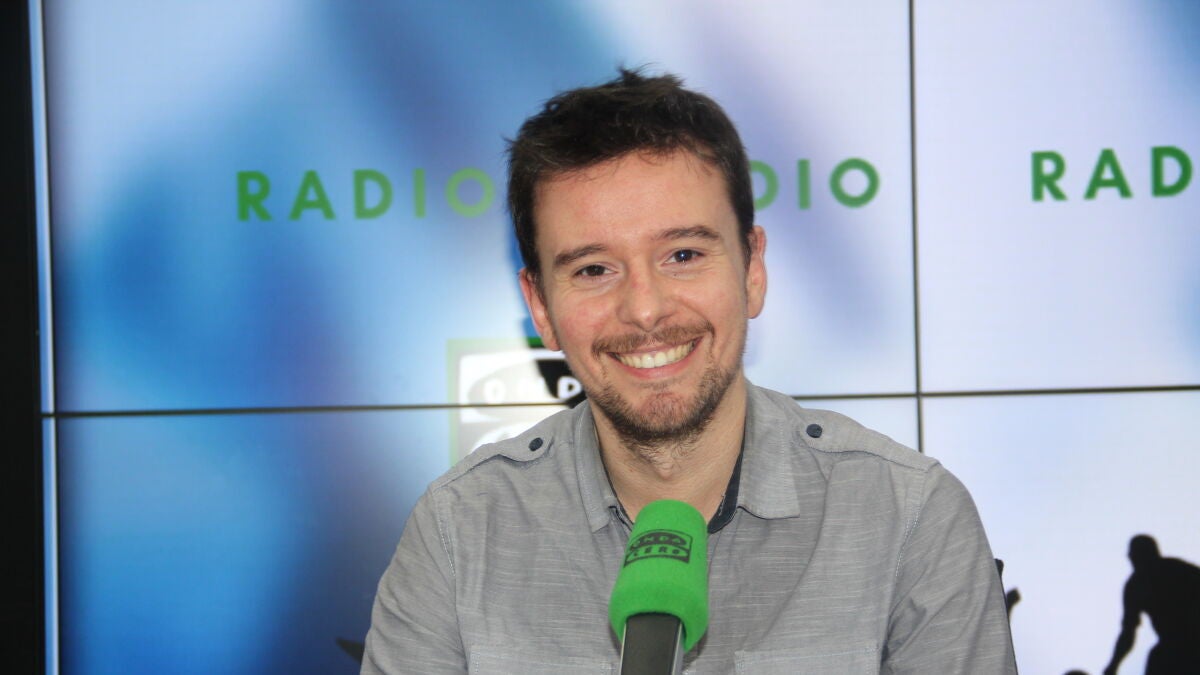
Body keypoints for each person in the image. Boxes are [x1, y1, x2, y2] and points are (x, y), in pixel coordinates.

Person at [362, 69, 1016, 673]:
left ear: (752, 269)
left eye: (682, 254)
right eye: (594, 269)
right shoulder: (460, 531)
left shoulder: (908, 518)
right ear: (541, 308)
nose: (645, 308)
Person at [1102, 534, 1200, 675]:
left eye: (1135, 555)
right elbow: (1128, 631)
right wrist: (1114, 664)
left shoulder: (1180, 571)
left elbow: (1128, 631)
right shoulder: (1135, 586)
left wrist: (1113, 665)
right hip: (1172, 647)